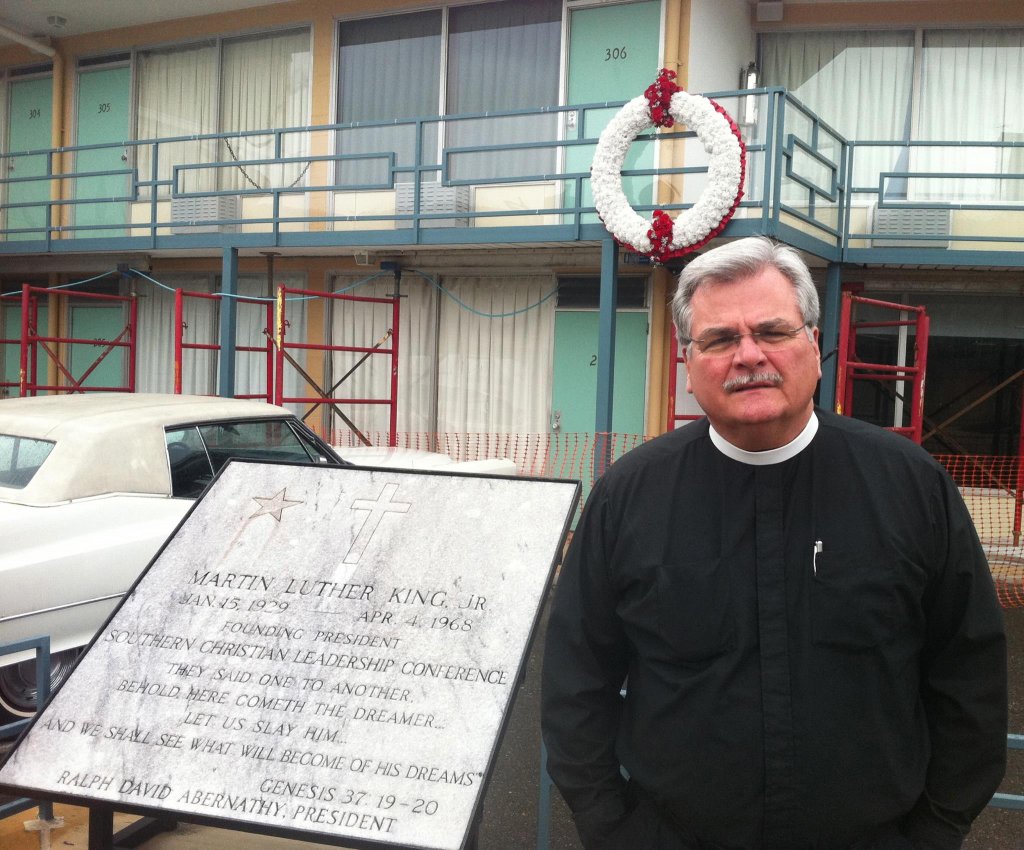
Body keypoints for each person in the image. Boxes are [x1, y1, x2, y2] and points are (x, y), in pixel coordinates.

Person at [541, 236, 1007, 850]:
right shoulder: (628, 496)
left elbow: (968, 673)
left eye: (773, 331)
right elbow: (576, 679)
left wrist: (936, 828)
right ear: (688, 359)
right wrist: (611, 826)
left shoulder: (909, 486)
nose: (748, 355)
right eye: (719, 339)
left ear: (813, 344)